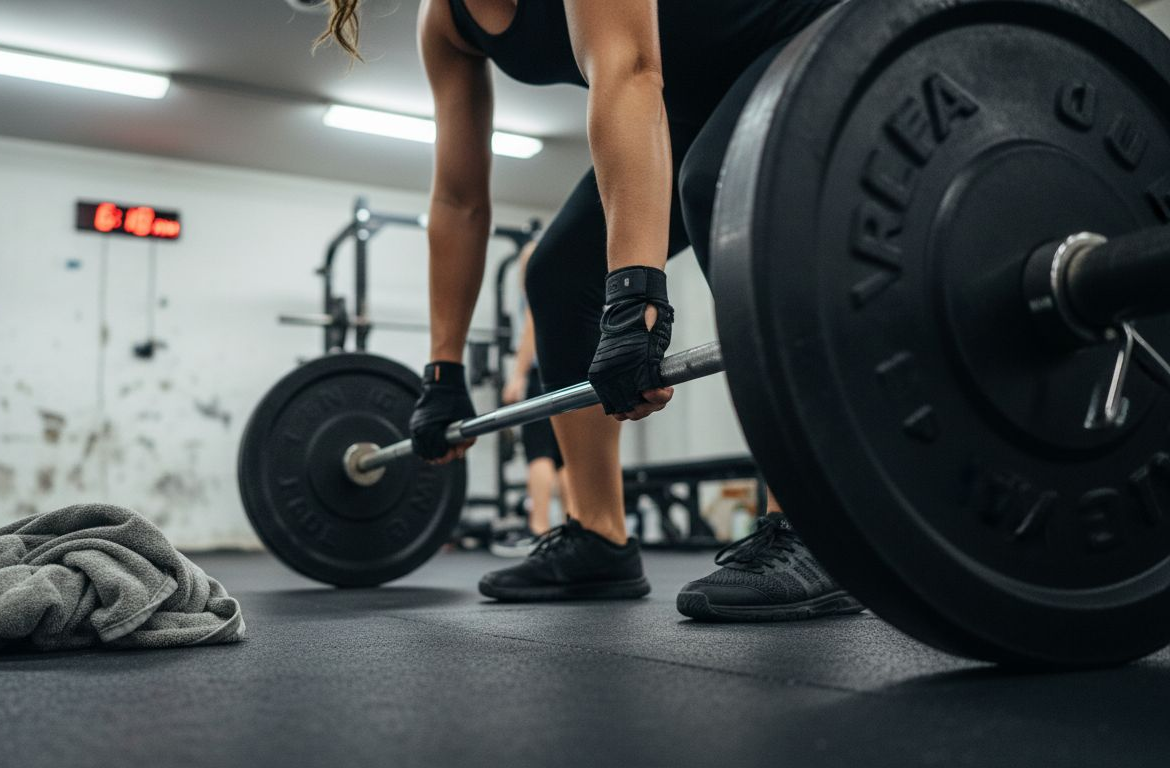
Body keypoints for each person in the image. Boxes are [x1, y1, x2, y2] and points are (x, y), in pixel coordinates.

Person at [314, 0, 864, 620]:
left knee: (718, 180)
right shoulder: (444, 22)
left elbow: (629, 71)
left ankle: (814, 524)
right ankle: (600, 535)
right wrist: (443, 372)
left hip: (810, 35)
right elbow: (460, 201)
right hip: (693, 97)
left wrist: (635, 296)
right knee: (557, 276)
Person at [490, 238, 568, 558]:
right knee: (565, 457)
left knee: (539, 453)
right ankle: (573, 528)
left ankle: (538, 528)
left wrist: (517, 375)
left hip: (542, 375)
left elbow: (531, 332)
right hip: (569, 374)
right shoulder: (567, 288)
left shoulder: (537, 289)